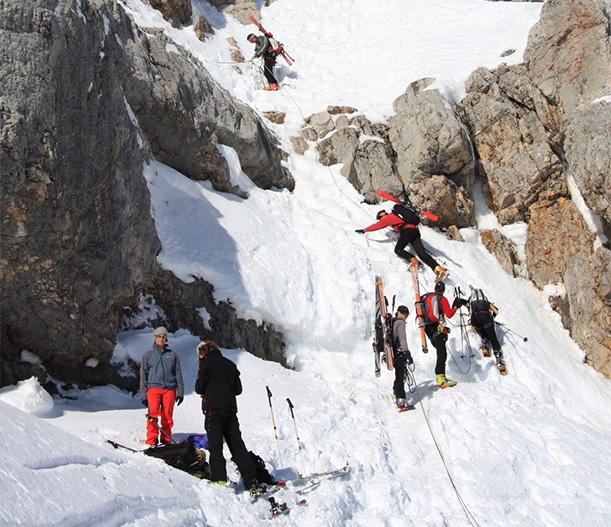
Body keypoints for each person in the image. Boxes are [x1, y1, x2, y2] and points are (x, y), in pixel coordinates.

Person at [194, 340, 258, 491]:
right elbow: (238, 389)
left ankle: (219, 479)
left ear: (203, 354)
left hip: (213, 410)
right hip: (230, 410)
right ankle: (252, 480)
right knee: (237, 445)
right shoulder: (230, 365)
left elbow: (199, 387)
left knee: (215, 445)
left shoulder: (206, 364)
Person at [356, 207, 447, 281]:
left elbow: (377, 226)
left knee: (398, 249)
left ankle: (414, 261)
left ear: (381, 216)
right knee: (422, 253)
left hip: (407, 231)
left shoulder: (388, 218)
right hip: (415, 231)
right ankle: (438, 269)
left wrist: (364, 230)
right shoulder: (399, 216)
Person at [140, 327, 184, 447]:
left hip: (169, 389)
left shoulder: (172, 355)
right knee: (153, 414)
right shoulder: (148, 355)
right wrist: (143, 395)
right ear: (155, 338)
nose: (161, 339)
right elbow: (143, 376)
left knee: (167, 416)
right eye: (159, 336)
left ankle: (166, 439)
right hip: (153, 388)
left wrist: (180, 392)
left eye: (164, 337)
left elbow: (178, 374)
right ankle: (151, 440)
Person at [421, 282, 468, 388]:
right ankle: (440, 378)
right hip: (437, 328)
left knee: (440, 351)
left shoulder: (429, 297)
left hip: (428, 328)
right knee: (442, 353)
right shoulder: (442, 299)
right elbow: (449, 314)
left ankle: (440, 376)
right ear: (443, 290)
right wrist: (456, 306)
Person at [469, 288, 503, 361]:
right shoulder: (486, 302)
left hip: (476, 322)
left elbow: (470, 315)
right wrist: (492, 317)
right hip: (487, 320)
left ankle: (484, 340)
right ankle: (497, 355)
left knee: (481, 330)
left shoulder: (472, 303)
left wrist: (472, 327)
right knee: (493, 338)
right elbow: (496, 311)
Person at [392, 305, 415, 410]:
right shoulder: (400, 323)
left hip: (394, 352)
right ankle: (400, 399)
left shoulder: (393, 321)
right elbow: (402, 339)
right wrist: (407, 353)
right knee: (401, 374)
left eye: (407, 315)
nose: (405, 316)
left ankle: (396, 393)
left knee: (398, 374)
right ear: (399, 312)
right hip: (399, 352)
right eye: (404, 314)